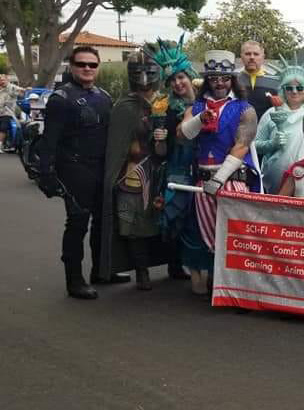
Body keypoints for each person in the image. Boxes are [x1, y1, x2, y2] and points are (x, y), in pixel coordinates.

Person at [35, 46, 122, 299]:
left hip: (101, 168)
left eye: (92, 65)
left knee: (103, 222)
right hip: (74, 168)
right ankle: (74, 280)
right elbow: (49, 141)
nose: (87, 68)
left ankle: (102, 271)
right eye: (82, 64)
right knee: (77, 223)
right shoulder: (60, 99)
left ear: (97, 68)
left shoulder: (104, 96)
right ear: (72, 66)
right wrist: (46, 174)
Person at [179, 50, 260, 251]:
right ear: (207, 80)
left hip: (232, 181)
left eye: (225, 78)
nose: (219, 83)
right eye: (214, 78)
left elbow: (241, 146)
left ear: (232, 79)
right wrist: (200, 119)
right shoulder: (196, 108)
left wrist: (218, 179)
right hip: (202, 183)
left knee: (237, 244)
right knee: (212, 246)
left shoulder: (245, 109)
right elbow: (183, 135)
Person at [101, 47, 167, 290]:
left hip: (162, 171)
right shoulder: (125, 106)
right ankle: (141, 270)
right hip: (133, 172)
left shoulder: (165, 101)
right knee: (134, 225)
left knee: (166, 219)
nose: (144, 78)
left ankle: (174, 263)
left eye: (149, 72)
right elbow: (118, 146)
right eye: (138, 72)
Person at [152, 38, 211, 295]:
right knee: (183, 221)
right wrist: (160, 141)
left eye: (180, 77)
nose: (177, 83)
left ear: (189, 76)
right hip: (178, 169)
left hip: (207, 166)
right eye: (172, 80)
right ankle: (190, 269)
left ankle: (209, 271)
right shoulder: (163, 108)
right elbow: (161, 154)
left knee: (205, 220)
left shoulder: (208, 101)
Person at [253, 56, 304, 194]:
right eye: (289, 88)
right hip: (276, 180)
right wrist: (272, 144)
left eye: (299, 88)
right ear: (283, 89)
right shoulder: (270, 114)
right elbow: (255, 145)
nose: (294, 91)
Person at [237, 40, 279, 120]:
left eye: (256, 54)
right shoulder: (233, 81)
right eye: (247, 54)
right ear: (241, 57)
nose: (252, 57)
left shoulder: (274, 82)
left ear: (263, 57)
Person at [0, 72, 25, 150]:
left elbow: (21, 92)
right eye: (0, 80)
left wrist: (24, 90)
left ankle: (0, 144)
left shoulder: (12, 88)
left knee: (3, 127)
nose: (1, 81)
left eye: (3, 80)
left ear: (7, 80)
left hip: (6, 112)